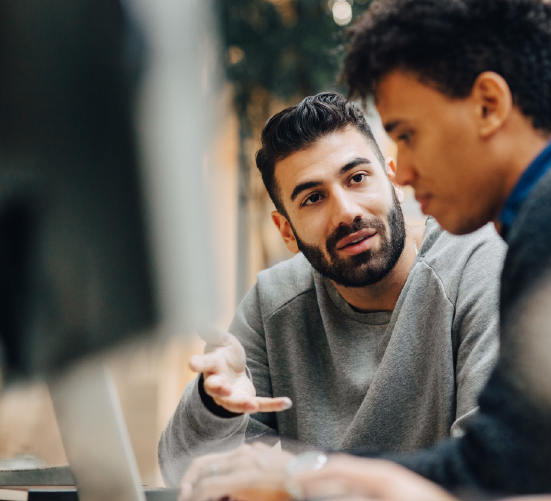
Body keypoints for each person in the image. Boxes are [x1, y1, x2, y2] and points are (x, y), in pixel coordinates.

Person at [177, 0, 551, 499]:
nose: (402, 171)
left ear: (488, 105)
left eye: (408, 135)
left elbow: (495, 477)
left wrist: (300, 473)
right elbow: (511, 462)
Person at [157, 92, 505, 486]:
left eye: (357, 178)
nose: (346, 212)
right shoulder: (274, 302)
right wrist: (215, 407)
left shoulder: (477, 268)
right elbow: (180, 473)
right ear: (286, 230)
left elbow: (487, 472)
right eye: (313, 198)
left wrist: (301, 477)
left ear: (392, 180)